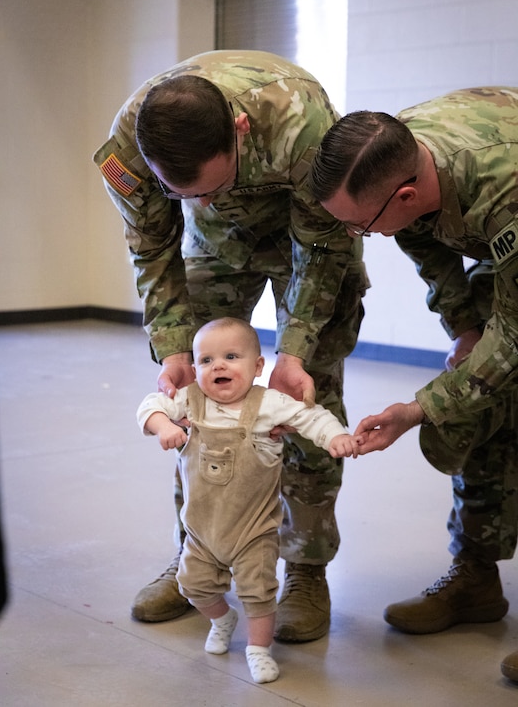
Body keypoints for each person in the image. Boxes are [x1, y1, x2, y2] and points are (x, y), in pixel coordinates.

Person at [93, 50, 368, 642]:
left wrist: (294, 351)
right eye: (186, 192)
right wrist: (171, 346)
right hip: (215, 252)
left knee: (308, 392)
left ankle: (305, 567)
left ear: (240, 133)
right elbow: (152, 248)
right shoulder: (128, 146)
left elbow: (322, 247)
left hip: (308, 244)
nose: (205, 199)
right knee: (195, 397)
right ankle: (201, 558)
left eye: (213, 185)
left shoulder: (301, 123)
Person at [308, 86, 518, 682]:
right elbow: (426, 244)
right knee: (484, 411)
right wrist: (466, 328)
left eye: (362, 228)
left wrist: (419, 409)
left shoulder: (506, 190)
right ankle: (476, 577)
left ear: (404, 194)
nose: (359, 236)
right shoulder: (397, 150)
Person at [136, 317, 362, 683]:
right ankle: (222, 618)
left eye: (231, 356)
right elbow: (148, 407)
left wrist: (334, 437)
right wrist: (163, 425)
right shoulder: (189, 401)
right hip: (201, 531)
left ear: (258, 367)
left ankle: (258, 649)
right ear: (194, 370)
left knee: (258, 592)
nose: (218, 366)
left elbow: (310, 416)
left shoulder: (268, 404)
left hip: (253, 531)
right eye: (207, 361)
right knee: (192, 585)